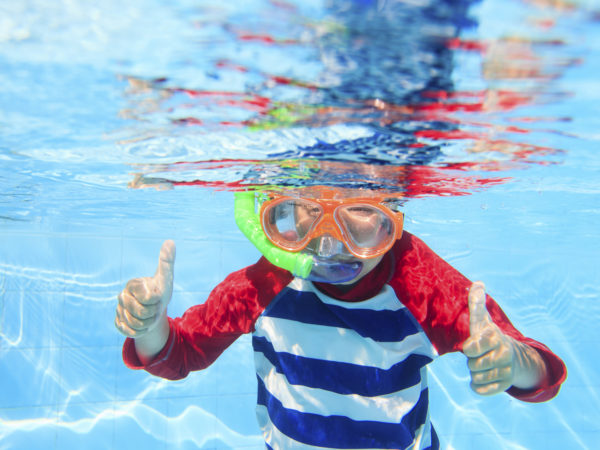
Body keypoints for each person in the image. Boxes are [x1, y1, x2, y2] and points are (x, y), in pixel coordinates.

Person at [115, 187, 566, 449]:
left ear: (395, 215)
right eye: (309, 210)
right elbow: (179, 356)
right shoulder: (266, 283)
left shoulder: (422, 284)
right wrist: (150, 326)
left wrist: (511, 363)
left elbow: (541, 374)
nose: (330, 244)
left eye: (361, 213)